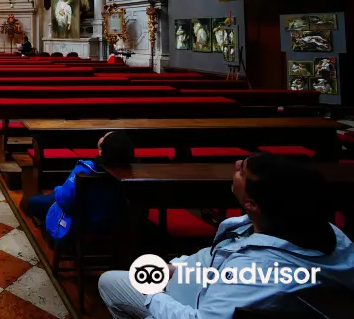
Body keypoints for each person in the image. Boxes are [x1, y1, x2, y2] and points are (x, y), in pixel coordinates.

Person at [98, 153, 354, 319]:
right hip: (204, 283)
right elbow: (215, 257)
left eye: (242, 172)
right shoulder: (306, 224)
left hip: (196, 306)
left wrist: (152, 294)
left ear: (253, 204)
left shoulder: (258, 269)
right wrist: (177, 266)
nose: (236, 165)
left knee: (110, 281)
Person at [26, 131, 133, 234]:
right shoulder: (131, 172)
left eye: (105, 137)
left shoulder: (86, 169)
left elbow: (65, 199)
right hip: (116, 221)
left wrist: (57, 190)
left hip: (81, 222)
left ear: (102, 150)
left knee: (33, 203)